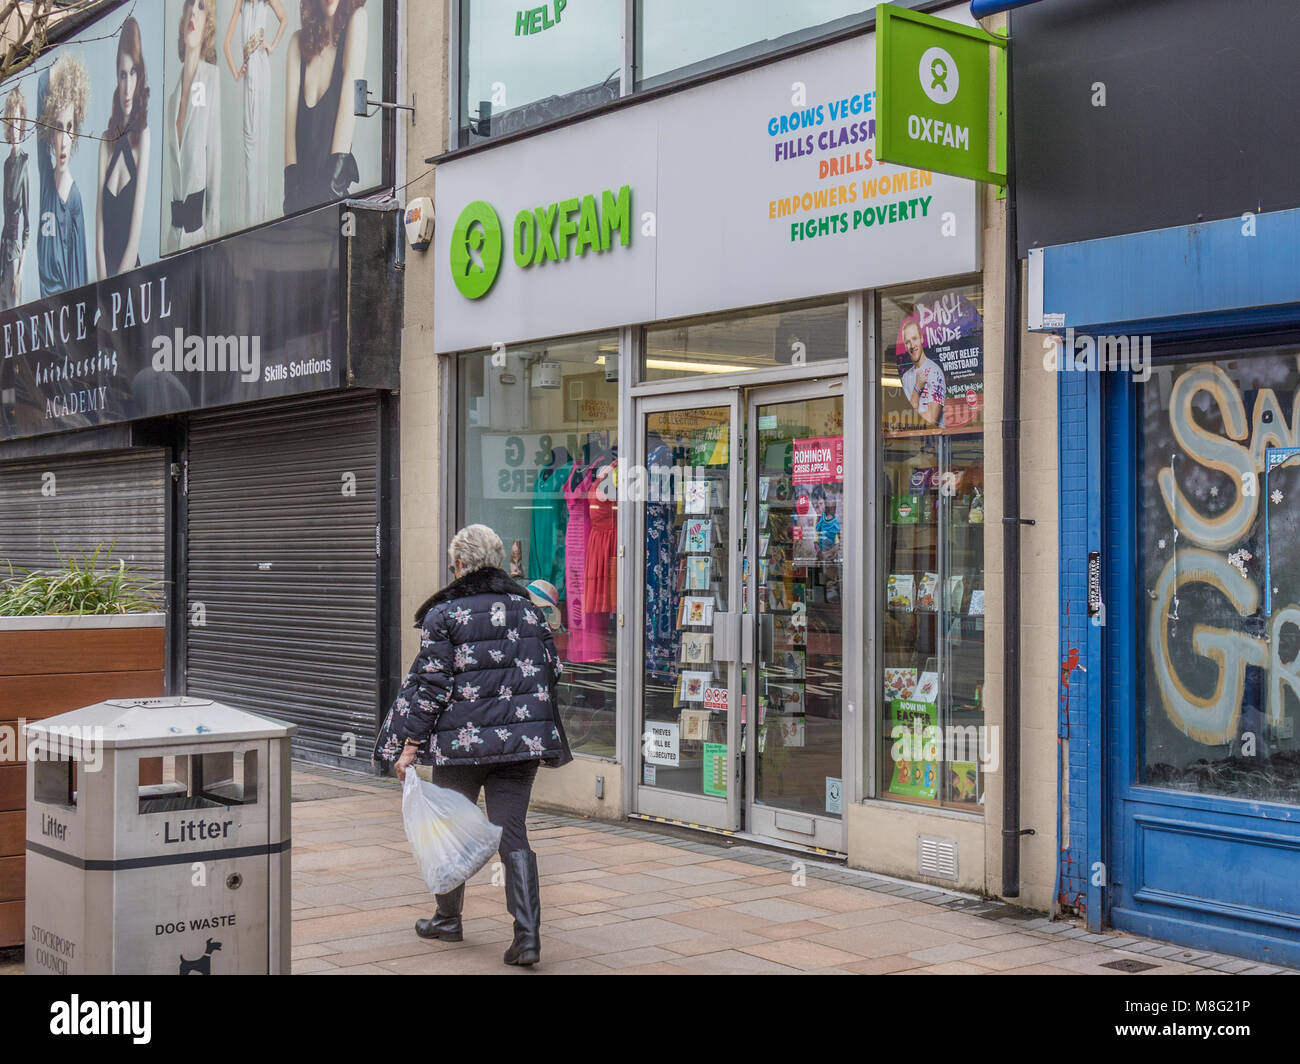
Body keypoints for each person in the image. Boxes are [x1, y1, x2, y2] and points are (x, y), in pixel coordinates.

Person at [373, 525, 572, 967]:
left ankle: (448, 920)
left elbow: (430, 687)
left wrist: (408, 747)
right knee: (512, 830)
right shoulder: (529, 608)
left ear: (460, 564)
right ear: (496, 561)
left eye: (452, 562)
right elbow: (552, 669)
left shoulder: (446, 613)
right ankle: (527, 936)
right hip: (521, 742)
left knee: (448, 826)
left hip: (461, 746)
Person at [283, 0, 366, 214]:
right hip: (300, 198)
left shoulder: (357, 20)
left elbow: (349, 109)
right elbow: (290, 130)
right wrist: (291, 196)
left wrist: (332, 192)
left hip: (331, 195)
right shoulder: (298, 43)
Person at [223, 0, 286, 229]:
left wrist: (272, 45)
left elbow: (284, 18)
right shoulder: (241, 2)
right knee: (250, 143)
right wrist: (237, 71)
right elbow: (226, 44)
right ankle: (251, 219)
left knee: (261, 141)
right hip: (250, 72)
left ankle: (261, 215)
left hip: (262, 68)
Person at [165, 0, 221, 254]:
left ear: (208, 23)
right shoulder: (171, 100)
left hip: (200, 238)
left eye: (200, 7)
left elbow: (214, 164)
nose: (192, 12)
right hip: (173, 240)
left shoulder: (211, 78)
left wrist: (214, 242)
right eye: (189, 4)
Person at [97, 16, 151, 278]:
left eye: (133, 73)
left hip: (130, 287)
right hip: (104, 287)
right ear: (116, 78)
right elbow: (98, 232)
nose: (127, 86)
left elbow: (135, 238)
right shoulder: (106, 142)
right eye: (122, 75)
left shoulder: (144, 137)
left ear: (140, 75)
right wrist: (101, 290)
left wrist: (114, 290)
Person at [37, 54, 89, 296]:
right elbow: (38, 129)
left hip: (62, 312)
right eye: (58, 128)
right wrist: (52, 71)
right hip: (41, 306)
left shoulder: (74, 198)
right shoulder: (47, 183)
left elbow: (80, 274)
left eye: (69, 128)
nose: (64, 141)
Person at [0, 86, 30, 310]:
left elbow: (26, 225)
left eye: (18, 122)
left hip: (14, 256)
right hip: (3, 250)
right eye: (11, 122)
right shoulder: (6, 164)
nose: (14, 128)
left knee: (12, 310)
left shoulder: (24, 162)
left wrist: (20, 272)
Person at [900, 318, 946, 428]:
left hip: (936, 441)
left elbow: (932, 419)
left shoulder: (935, 372)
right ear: (905, 347)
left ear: (921, 338)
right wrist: (917, 387)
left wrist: (911, 418)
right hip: (915, 440)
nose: (912, 345)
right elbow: (905, 417)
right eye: (907, 342)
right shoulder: (906, 377)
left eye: (914, 339)